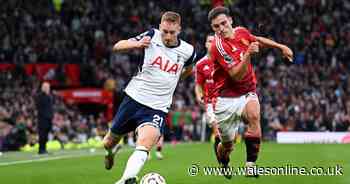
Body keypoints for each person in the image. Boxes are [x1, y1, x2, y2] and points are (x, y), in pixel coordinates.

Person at [103, 11, 196, 184]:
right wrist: (137, 44)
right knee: (108, 142)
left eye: (172, 33)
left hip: (157, 107)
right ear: (160, 27)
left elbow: (190, 68)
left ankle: (126, 180)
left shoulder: (188, 51)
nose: (167, 36)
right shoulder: (151, 36)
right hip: (133, 99)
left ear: (179, 30)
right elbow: (117, 46)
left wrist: (177, 79)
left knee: (144, 144)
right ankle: (110, 152)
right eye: (165, 32)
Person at [207, 6, 293, 179]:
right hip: (225, 99)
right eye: (216, 26)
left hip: (247, 92)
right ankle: (223, 162)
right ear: (213, 29)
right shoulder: (218, 47)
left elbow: (256, 39)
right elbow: (235, 75)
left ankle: (250, 165)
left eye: (223, 23)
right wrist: (247, 54)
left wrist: (280, 46)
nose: (221, 28)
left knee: (254, 115)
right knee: (227, 146)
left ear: (230, 20)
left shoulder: (241, 32)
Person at [194, 34, 220, 143]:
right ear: (206, 44)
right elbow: (198, 85)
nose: (211, 44)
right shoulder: (200, 64)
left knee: (228, 136)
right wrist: (199, 95)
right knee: (217, 133)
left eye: (214, 41)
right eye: (209, 41)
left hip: (226, 101)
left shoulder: (225, 61)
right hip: (210, 102)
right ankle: (223, 157)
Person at [36, 82, 54, 155]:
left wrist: (51, 116)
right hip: (42, 119)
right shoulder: (40, 96)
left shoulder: (49, 96)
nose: (48, 89)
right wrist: (46, 116)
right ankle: (41, 149)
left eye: (48, 87)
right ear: (43, 88)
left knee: (46, 134)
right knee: (42, 134)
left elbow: (49, 108)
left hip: (48, 118)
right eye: (46, 87)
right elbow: (40, 108)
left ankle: (44, 148)